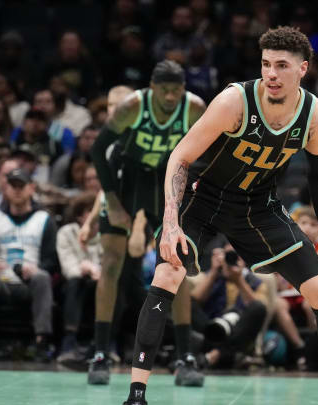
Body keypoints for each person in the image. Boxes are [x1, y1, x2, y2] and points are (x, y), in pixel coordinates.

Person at [122, 27, 318, 405]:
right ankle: (136, 394)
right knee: (167, 272)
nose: (271, 74)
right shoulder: (234, 102)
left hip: (258, 206)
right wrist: (171, 221)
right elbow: (180, 157)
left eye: (281, 66)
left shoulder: (316, 116)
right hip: (205, 198)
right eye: (265, 65)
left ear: (303, 69)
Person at [87, 60, 206, 386]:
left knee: (176, 263)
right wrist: (111, 202)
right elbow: (98, 150)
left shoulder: (195, 108)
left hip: (163, 181)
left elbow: (211, 152)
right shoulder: (132, 106)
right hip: (127, 178)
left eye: (176, 90)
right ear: (152, 88)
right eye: (164, 90)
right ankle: (100, 355)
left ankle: (185, 358)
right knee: (111, 263)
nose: (170, 97)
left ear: (183, 89)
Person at [0, 168, 59, 361]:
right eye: (13, 186)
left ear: (31, 188)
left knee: (42, 277)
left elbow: (53, 261)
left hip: (30, 280)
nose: (16, 190)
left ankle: (41, 342)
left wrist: (38, 269)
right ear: (5, 189)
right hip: (2, 279)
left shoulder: (44, 220)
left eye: (21, 186)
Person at [56, 192, 102, 361]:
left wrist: (97, 271)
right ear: (80, 216)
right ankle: (69, 342)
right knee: (75, 282)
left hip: (98, 284)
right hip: (73, 285)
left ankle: (105, 344)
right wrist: (86, 268)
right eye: (90, 211)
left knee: (109, 287)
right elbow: (68, 268)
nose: (96, 216)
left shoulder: (106, 236)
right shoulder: (66, 233)